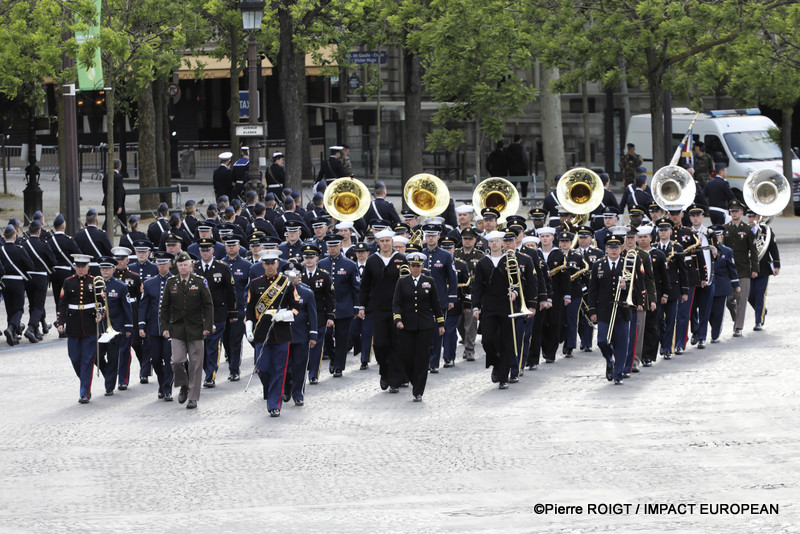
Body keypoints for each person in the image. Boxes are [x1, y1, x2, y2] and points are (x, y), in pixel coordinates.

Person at [472, 231, 535, 389]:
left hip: (507, 305)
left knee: (507, 341)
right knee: (488, 340)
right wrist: (475, 306)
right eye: (491, 241)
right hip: (489, 306)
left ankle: (503, 376)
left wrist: (514, 293)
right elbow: (477, 286)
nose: (494, 244)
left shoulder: (510, 260)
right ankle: (495, 363)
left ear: (502, 243)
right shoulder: (482, 263)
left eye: (497, 241)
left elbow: (521, 281)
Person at [245, 249, 300, 417]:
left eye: (273, 263)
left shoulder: (287, 282)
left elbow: (296, 306)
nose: (270, 266)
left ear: (277, 264)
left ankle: (274, 404)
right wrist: (248, 326)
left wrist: (285, 315)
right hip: (262, 331)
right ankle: (271, 391)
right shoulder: (255, 283)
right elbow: (249, 308)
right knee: (263, 367)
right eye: (266, 263)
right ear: (262, 264)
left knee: (279, 369)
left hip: (281, 331)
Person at [587, 234, 644, 384]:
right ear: (606, 249)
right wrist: (592, 310)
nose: (614, 250)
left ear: (621, 248)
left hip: (623, 310)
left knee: (622, 343)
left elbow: (637, 287)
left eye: (616, 247)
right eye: (611, 247)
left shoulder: (628, 264)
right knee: (602, 341)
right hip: (604, 310)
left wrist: (626, 288)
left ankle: (618, 374)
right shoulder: (598, 265)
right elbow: (592, 291)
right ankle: (610, 359)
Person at [160, 251, 214, 409]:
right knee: (177, 361)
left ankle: (193, 397)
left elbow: (208, 305)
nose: (183, 267)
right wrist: (164, 327)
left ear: (191, 265)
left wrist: (207, 326)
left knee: (196, 365)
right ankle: (183, 385)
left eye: (186, 265)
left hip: (197, 328)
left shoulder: (200, 281)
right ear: (176, 266)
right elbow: (164, 308)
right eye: (181, 265)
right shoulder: (171, 282)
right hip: (177, 328)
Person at [357, 229, 407, 393]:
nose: (385, 244)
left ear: (392, 242)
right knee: (380, 344)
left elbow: (406, 284)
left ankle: (394, 379)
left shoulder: (401, 259)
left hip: (397, 309)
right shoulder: (372, 261)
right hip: (378, 308)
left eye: (388, 240)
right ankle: (384, 370)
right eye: (382, 241)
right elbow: (365, 286)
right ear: (377, 242)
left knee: (396, 344)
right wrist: (362, 306)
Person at [393, 251, 445, 402]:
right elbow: (396, 303)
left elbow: (436, 304)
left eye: (418, 265)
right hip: (406, 325)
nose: (416, 268)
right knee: (407, 357)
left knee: (422, 358)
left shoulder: (429, 280)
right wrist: (398, 320)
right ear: (409, 266)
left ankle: (418, 390)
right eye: (413, 265)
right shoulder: (402, 282)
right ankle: (413, 379)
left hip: (425, 325)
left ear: (422, 266)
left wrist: (441, 323)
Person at [56, 254, 102, 403]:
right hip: (73, 324)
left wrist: (101, 314)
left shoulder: (94, 281)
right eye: (78, 266)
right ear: (75, 267)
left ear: (88, 267)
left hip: (90, 324)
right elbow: (63, 303)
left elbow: (102, 302)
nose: (80, 269)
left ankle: (84, 392)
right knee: (75, 358)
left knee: (88, 360)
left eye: (83, 266)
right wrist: (60, 321)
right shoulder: (68, 282)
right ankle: (84, 380)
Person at [193, 238, 238, 387]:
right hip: (199, 312)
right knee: (202, 344)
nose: (205, 253)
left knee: (213, 343)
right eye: (202, 250)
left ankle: (210, 376)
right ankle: (206, 370)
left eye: (207, 250)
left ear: (213, 250)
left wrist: (233, 312)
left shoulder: (222, 267)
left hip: (218, 311)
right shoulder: (195, 268)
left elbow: (231, 291)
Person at [138, 251, 175, 401]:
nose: (161, 266)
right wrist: (141, 325)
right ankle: (162, 383)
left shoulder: (176, 281)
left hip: (172, 328)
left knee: (169, 358)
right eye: (159, 263)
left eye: (164, 263)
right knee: (156, 359)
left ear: (170, 264)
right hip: (154, 328)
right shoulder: (149, 283)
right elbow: (143, 306)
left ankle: (167, 389)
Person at [420, 224, 457, 372]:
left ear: (438, 236)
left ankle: (433, 363)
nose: (430, 238)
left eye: (433, 235)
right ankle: (424, 360)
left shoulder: (446, 255)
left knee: (437, 333)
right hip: (422, 301)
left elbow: (452, 279)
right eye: (428, 235)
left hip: (440, 300)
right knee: (424, 333)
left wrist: (452, 299)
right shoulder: (420, 254)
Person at [95, 256, 133, 396]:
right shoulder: (94, 285)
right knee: (95, 356)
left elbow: (127, 308)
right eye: (102, 268)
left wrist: (128, 328)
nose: (105, 271)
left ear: (113, 269)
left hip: (115, 328)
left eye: (108, 268)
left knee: (112, 357)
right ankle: (109, 375)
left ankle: (109, 386)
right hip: (98, 328)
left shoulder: (120, 286)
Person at [282, 262, 317, 407]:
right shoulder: (279, 292)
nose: (291, 278)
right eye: (287, 275)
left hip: (301, 335)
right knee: (285, 366)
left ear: (299, 276)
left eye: (294, 275)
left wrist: (313, 335)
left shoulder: (306, 292)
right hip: (283, 335)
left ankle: (298, 393)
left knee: (300, 366)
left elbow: (312, 315)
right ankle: (286, 388)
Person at [723, 199, 759, 338]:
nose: (734, 213)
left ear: (742, 212)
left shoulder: (748, 229)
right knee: (728, 299)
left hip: (744, 268)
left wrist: (754, 268)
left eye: (736, 211)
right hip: (728, 270)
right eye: (732, 211)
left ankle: (738, 326)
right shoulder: (725, 228)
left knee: (741, 299)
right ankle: (736, 317)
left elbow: (753, 251)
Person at [301, 244, 336, 381]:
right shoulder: (299, 276)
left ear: (317, 258)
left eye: (311, 257)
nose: (309, 260)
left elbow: (330, 297)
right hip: (302, 316)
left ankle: (313, 375)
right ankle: (303, 371)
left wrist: (331, 316)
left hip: (320, 315)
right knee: (302, 346)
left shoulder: (324, 276)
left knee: (317, 347)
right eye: (306, 257)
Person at [221, 237, 251, 382]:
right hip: (223, 310)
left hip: (239, 310)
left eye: (234, 245)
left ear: (239, 246)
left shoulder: (246, 265)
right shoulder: (221, 264)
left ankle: (234, 370)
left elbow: (249, 289)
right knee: (225, 341)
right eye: (228, 245)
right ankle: (232, 363)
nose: (231, 248)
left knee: (235, 340)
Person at [22, 219, 56, 342]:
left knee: (32, 304)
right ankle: (31, 328)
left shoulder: (24, 244)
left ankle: (36, 331)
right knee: (39, 306)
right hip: (41, 277)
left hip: (28, 278)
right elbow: (53, 261)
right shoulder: (43, 244)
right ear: (39, 231)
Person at [48, 214, 81, 338]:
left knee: (58, 300)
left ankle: (60, 325)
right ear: (64, 226)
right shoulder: (68, 240)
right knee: (68, 300)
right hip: (66, 274)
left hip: (54, 274)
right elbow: (78, 254)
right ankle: (66, 325)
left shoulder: (50, 241)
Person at [747, 212, 779, 331]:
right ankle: (761, 310)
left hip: (763, 268)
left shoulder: (767, 230)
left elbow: (773, 248)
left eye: (753, 216)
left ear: (758, 217)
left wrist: (777, 265)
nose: (751, 219)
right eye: (749, 216)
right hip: (748, 268)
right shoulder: (744, 230)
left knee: (760, 295)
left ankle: (758, 322)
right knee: (749, 295)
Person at [709, 225, 739, 343]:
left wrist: (736, 285)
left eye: (719, 235)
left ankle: (715, 334)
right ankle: (712, 328)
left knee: (718, 312)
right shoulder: (706, 250)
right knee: (708, 312)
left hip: (722, 285)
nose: (717, 237)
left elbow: (732, 269)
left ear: (722, 236)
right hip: (708, 285)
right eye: (715, 235)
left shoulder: (727, 251)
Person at [102, 159, 127, 233]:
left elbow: (104, 189)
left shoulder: (106, 175)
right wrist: (120, 206)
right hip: (117, 203)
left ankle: (104, 231)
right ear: (119, 166)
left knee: (108, 219)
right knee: (123, 220)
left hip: (108, 200)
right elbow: (119, 191)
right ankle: (126, 233)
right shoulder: (118, 177)